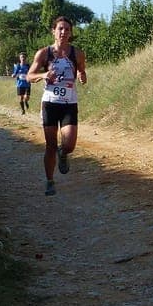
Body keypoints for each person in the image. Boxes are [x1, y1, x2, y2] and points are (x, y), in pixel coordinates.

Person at [26, 16, 88, 196]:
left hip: (69, 103)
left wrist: (82, 77)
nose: (63, 32)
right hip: (50, 104)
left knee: (68, 145)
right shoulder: (44, 53)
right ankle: (50, 181)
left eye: (67, 29)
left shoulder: (77, 53)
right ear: (53, 31)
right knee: (50, 145)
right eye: (60, 29)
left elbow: (82, 72)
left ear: (71, 33)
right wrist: (44, 75)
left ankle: (64, 154)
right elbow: (29, 76)